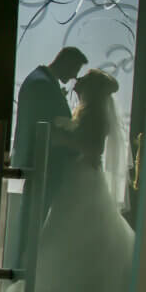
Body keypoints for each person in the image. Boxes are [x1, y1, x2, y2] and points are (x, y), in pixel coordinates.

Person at [33, 68, 134, 292]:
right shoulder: (87, 110)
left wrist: (59, 138)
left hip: (83, 177)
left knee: (76, 228)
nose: (79, 81)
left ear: (93, 88)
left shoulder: (96, 115)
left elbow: (92, 147)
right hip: (77, 175)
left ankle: (75, 287)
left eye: (85, 79)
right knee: (69, 227)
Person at [10, 46, 87, 267]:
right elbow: (45, 130)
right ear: (66, 62)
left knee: (34, 218)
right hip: (41, 164)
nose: (73, 77)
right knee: (34, 219)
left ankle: (24, 265)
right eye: (74, 69)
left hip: (39, 163)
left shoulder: (39, 80)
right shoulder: (42, 85)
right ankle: (24, 267)